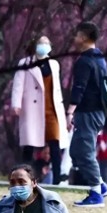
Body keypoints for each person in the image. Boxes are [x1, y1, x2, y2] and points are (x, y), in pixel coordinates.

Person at [11, 36, 69, 185]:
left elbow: (56, 88)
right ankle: (24, 179)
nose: (43, 46)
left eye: (46, 43)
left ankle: (57, 180)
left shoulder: (54, 64)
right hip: (32, 109)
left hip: (52, 109)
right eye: (40, 43)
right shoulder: (25, 63)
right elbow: (18, 85)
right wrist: (16, 104)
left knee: (55, 145)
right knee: (29, 146)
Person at [66, 22, 107, 207]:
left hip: (88, 112)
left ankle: (95, 194)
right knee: (76, 150)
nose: (75, 39)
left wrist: (70, 111)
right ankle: (101, 185)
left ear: (84, 37)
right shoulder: (100, 59)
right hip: (97, 112)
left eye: (77, 35)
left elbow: (79, 88)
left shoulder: (84, 61)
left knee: (85, 152)